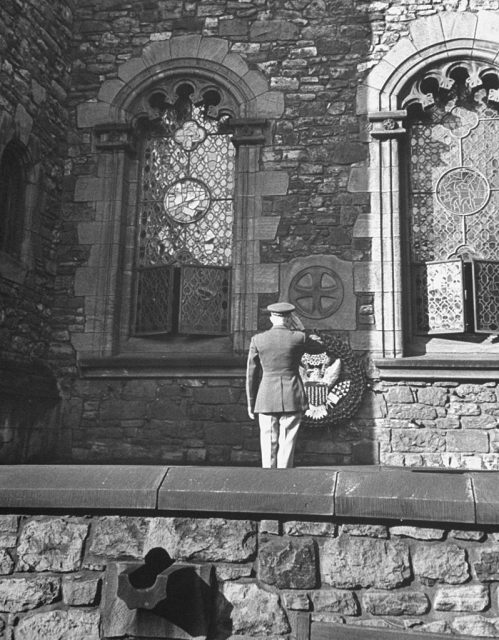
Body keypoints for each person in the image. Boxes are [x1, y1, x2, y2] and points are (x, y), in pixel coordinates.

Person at [246, 302, 309, 469]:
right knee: (287, 443)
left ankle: (269, 481)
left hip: (266, 397)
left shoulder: (258, 339)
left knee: (267, 444)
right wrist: (301, 329)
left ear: (272, 318)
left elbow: (251, 375)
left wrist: (251, 403)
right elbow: (320, 346)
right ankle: (284, 480)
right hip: (292, 394)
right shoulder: (298, 338)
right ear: (289, 319)